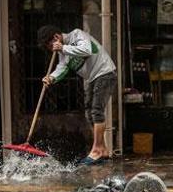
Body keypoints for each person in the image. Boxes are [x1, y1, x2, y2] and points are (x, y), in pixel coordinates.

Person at [38, 25, 116, 166]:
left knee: (97, 110)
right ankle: (102, 149)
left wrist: (63, 48)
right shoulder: (62, 53)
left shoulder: (77, 35)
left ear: (56, 37)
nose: (52, 50)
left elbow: (87, 49)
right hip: (92, 78)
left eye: (50, 45)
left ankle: (97, 149)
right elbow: (62, 67)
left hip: (105, 72)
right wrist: (51, 78)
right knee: (89, 113)